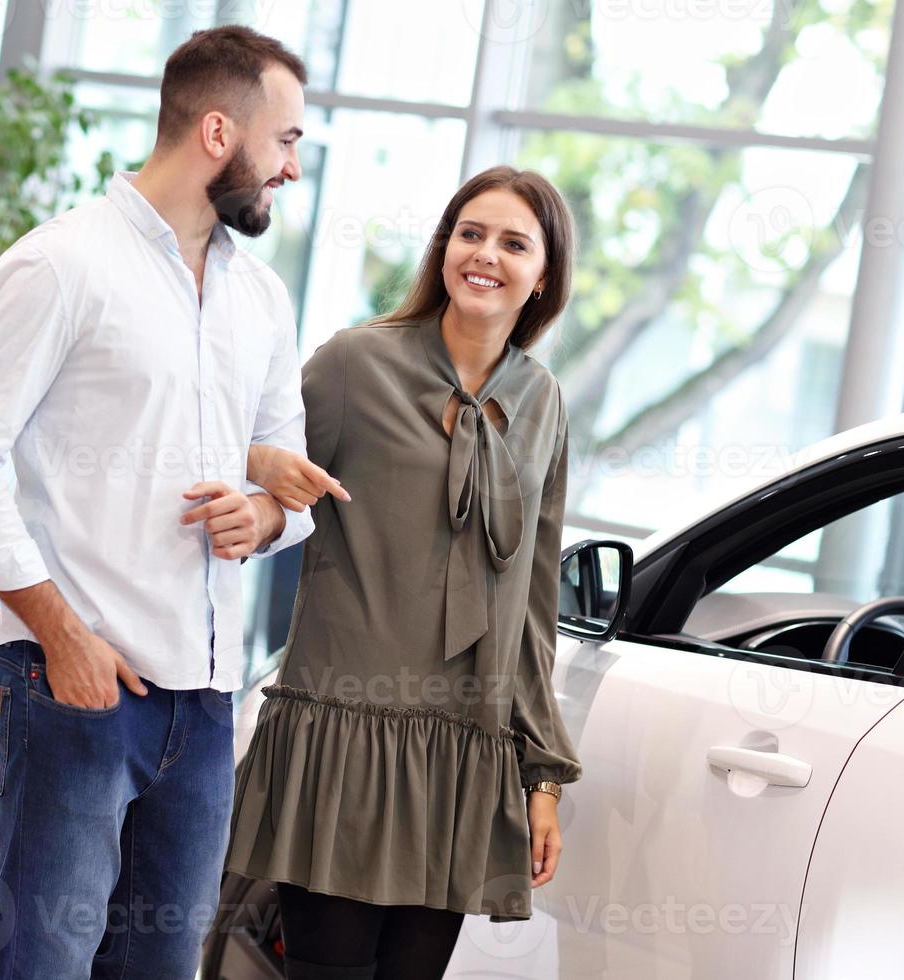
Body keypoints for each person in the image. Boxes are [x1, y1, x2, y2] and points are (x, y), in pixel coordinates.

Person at [0, 25, 314, 979]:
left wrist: (263, 517)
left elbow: (289, 476)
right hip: (72, 688)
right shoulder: (60, 265)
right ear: (219, 132)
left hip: (206, 705)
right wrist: (60, 634)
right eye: (288, 140)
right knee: (45, 961)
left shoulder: (259, 298)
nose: (292, 170)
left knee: (160, 968)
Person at [226, 166, 583, 979]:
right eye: (470, 233)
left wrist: (543, 777)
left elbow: (533, 602)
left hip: (464, 753)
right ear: (445, 248)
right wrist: (257, 494)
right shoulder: (356, 364)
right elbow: (236, 443)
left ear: (543, 277)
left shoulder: (543, 403)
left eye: (513, 243)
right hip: (343, 740)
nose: (485, 254)